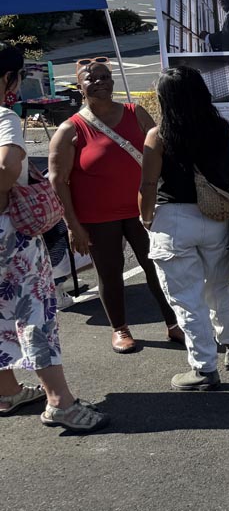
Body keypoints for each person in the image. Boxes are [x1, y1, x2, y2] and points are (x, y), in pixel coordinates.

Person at [0, 43, 109, 432]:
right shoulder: (4, 117)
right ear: (10, 79)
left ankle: (7, 391)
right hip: (10, 238)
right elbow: (7, 170)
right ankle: (60, 401)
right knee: (34, 312)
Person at [48, 60, 183, 354]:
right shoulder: (70, 129)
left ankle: (175, 323)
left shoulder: (136, 113)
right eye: (91, 79)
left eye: (104, 77)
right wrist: (73, 225)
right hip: (97, 217)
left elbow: (163, 153)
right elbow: (58, 181)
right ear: (80, 87)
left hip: (143, 210)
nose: (99, 82)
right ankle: (120, 328)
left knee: (159, 267)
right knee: (110, 272)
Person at [139, 66, 229, 390]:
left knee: (187, 299)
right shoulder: (222, 128)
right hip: (215, 219)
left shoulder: (159, 136)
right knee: (219, 288)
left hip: (173, 221)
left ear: (165, 99)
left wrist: (146, 219)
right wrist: (224, 194)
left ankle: (204, 369)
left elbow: (148, 185)